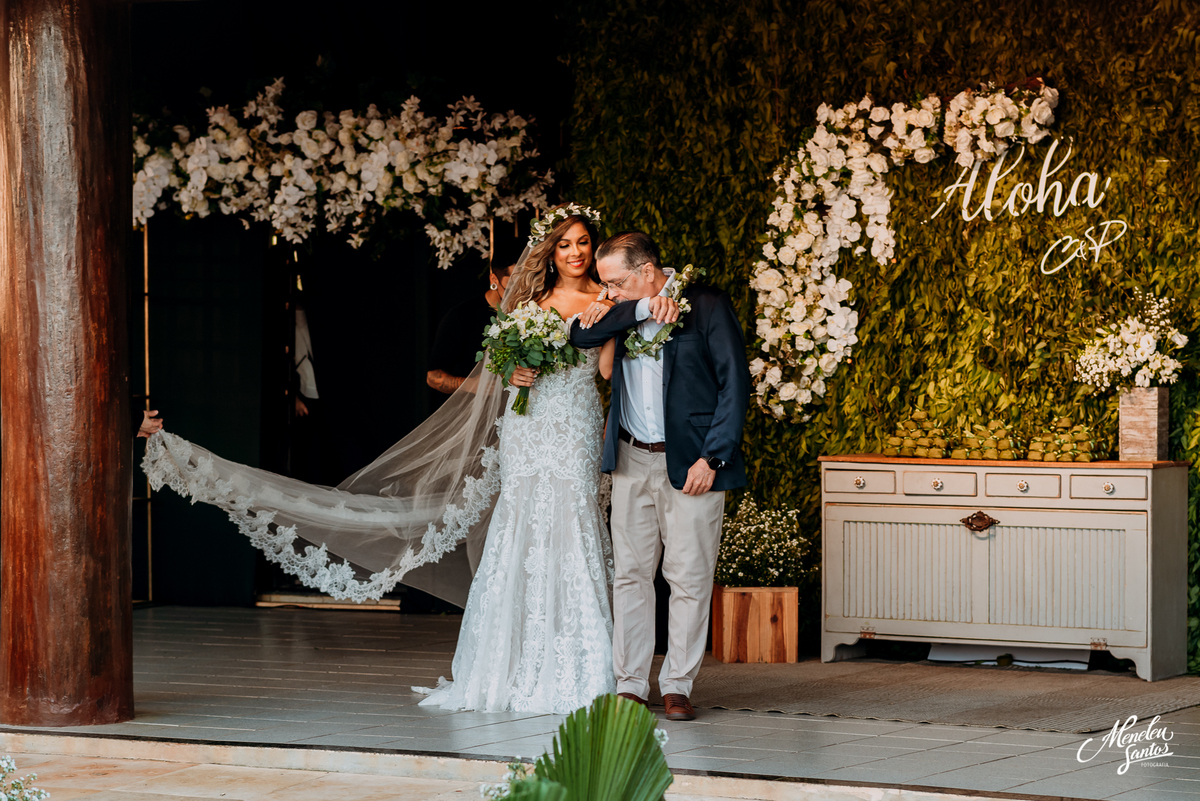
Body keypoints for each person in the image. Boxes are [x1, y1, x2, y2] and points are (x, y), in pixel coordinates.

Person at [139, 203, 677, 715]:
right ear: (551, 250)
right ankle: (506, 667)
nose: (575, 252)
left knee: (575, 525)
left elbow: (606, 373)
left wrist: (618, 325)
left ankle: (582, 670)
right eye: (566, 244)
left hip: (576, 424)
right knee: (520, 530)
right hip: (528, 425)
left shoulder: (611, 304)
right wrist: (513, 372)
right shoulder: (527, 305)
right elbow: (496, 364)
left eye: (583, 243)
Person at [570, 231, 750, 722]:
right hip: (631, 458)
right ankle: (629, 683)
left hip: (691, 464)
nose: (605, 291)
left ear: (647, 270)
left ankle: (677, 685)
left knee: (688, 577)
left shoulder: (706, 305)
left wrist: (712, 459)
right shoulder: (622, 307)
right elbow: (579, 336)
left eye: (614, 281)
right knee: (630, 576)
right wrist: (637, 308)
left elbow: (736, 383)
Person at [426, 263, 512, 396]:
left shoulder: (535, 310)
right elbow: (432, 377)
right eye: (511, 286)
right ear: (494, 280)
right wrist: (470, 384)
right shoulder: (461, 316)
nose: (519, 292)